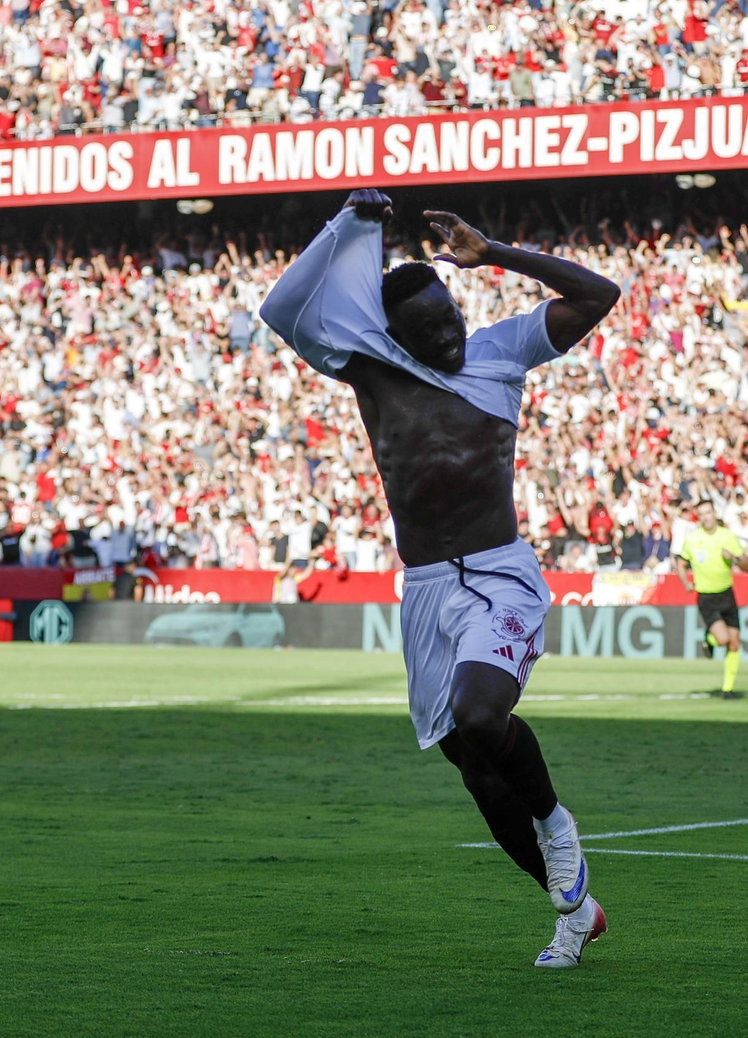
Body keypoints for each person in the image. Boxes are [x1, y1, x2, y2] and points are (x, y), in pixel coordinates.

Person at [258, 188, 621, 968]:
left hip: (500, 574)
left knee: (483, 716)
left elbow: (599, 294)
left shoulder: (502, 349)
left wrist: (494, 253)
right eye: (428, 333)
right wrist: (350, 225)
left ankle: (559, 829)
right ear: (398, 337)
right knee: (472, 766)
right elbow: (281, 308)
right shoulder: (371, 373)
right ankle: (571, 908)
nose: (450, 339)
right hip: (426, 589)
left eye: (450, 319)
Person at [676, 498, 748, 698]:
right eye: (701, 514)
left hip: (727, 594)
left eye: (708, 513)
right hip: (707, 597)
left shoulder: (727, 537)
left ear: (714, 514)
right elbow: (681, 563)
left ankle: (728, 689)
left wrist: (733, 558)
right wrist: (685, 583)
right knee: (723, 639)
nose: (706, 517)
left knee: (734, 643)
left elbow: (746, 566)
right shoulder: (692, 540)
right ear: (698, 517)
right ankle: (708, 639)